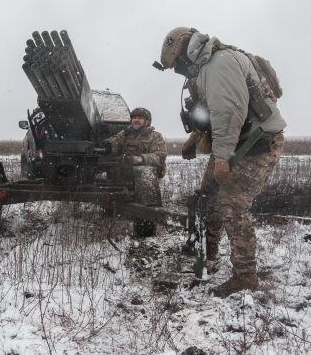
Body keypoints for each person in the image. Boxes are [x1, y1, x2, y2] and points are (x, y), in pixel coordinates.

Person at [158, 27, 287, 297]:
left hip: (258, 145)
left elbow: (229, 113)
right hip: (237, 143)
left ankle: (245, 276)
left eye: (177, 66)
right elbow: (213, 112)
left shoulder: (219, 64)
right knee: (207, 195)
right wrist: (195, 138)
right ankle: (209, 250)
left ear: (183, 51)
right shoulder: (206, 67)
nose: (179, 72)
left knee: (231, 204)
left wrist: (221, 159)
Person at [107, 107, 168, 237]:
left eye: (140, 118)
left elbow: (160, 156)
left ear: (147, 121)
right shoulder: (125, 134)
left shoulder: (155, 136)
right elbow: (113, 143)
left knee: (145, 172)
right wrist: (108, 147)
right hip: (126, 171)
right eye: (134, 117)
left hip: (145, 173)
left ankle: (146, 227)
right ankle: (113, 209)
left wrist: (140, 159)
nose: (136, 120)